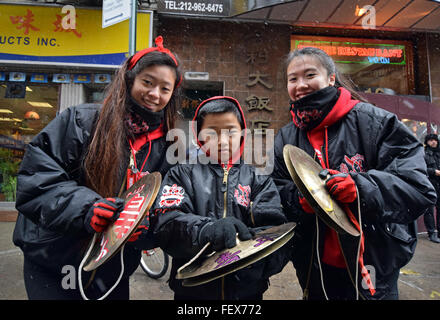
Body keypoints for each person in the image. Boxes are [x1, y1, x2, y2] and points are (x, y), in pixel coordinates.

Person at [12, 36, 182, 300]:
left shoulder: (167, 145)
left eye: (165, 89)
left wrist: (144, 227)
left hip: (113, 266)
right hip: (55, 258)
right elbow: (38, 178)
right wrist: (86, 208)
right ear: (130, 80)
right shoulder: (81, 121)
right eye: (148, 82)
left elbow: (169, 204)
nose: (154, 94)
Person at [271, 47, 437, 300]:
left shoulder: (376, 122)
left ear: (330, 78)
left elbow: (418, 189)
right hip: (314, 264)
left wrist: (360, 189)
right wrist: (299, 199)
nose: (301, 85)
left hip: (373, 262)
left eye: (309, 75)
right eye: (292, 79)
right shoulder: (286, 136)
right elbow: (276, 191)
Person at [150, 96, 289, 300]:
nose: (223, 141)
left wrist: (252, 263)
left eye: (231, 131)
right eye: (211, 132)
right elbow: (166, 224)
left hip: (247, 293)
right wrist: (206, 231)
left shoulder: (258, 179)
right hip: (193, 292)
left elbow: (276, 231)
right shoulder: (181, 174)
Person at [424, 133, 440, 243]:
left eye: (435, 140)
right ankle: (431, 233)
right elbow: (421, 168)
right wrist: (433, 171)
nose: (433, 142)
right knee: (429, 210)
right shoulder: (423, 153)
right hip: (429, 184)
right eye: (430, 140)